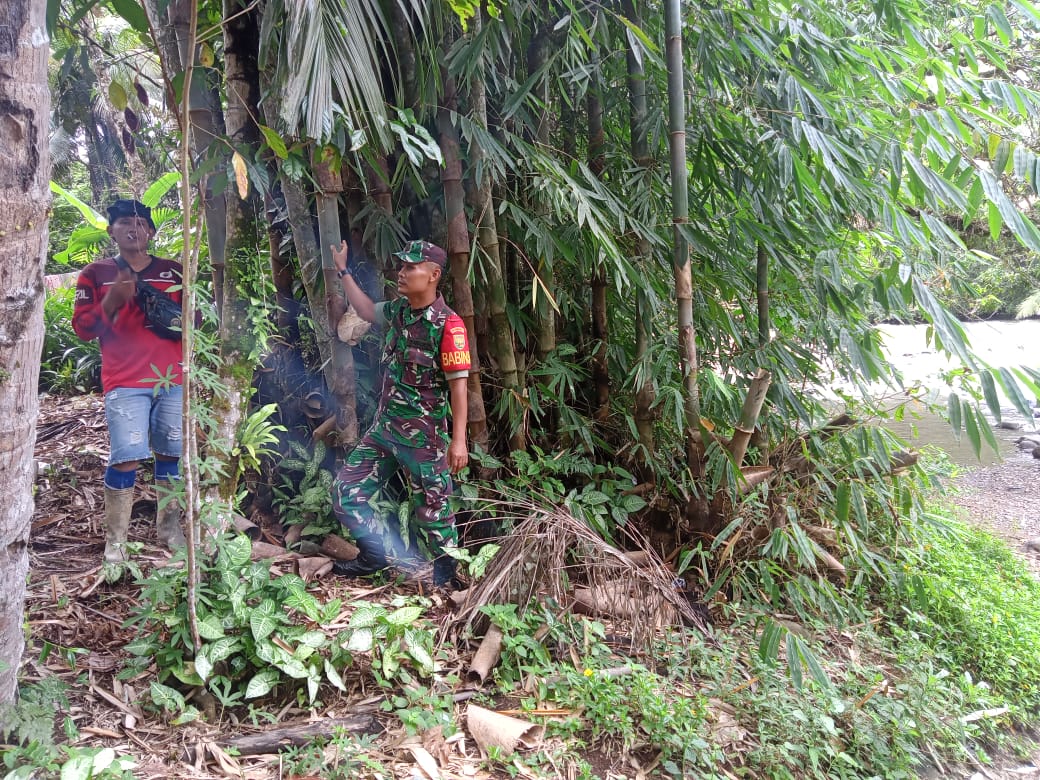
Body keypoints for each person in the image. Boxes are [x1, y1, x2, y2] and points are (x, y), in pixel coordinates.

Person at [330, 238, 470, 587]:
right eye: (402, 265)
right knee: (346, 492)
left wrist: (459, 442)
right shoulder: (398, 311)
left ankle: (448, 581)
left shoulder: (449, 326)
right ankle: (374, 556)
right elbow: (363, 309)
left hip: (424, 439)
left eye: (411, 267)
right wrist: (343, 270)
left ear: (434, 274)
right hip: (385, 431)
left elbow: (459, 388)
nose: (402, 272)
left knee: (434, 514)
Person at [73, 199, 187, 571]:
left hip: (173, 378)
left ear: (151, 231)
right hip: (124, 380)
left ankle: (170, 531)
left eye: (140, 223)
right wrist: (112, 301)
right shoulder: (96, 273)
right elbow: (83, 329)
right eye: (124, 223)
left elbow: (196, 319)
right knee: (127, 455)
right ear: (112, 231)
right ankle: (116, 543)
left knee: (171, 454)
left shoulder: (174, 271)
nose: (133, 228)